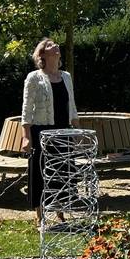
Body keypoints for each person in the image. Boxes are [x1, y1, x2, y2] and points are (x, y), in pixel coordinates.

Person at [20, 38, 79, 226]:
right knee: (41, 173)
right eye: (50, 45)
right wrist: (26, 137)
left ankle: (60, 213)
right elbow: (26, 109)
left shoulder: (66, 77)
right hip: (42, 132)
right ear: (42, 54)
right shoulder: (34, 78)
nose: (56, 46)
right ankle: (40, 215)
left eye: (56, 45)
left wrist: (77, 130)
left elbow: (72, 106)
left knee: (62, 172)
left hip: (63, 132)